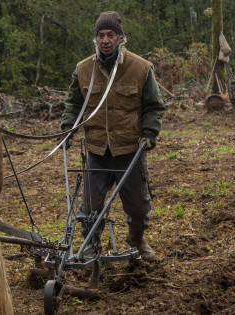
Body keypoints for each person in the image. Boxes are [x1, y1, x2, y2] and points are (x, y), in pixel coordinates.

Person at [60, 11, 165, 261]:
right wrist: (68, 129)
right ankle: (89, 243)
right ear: (95, 39)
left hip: (130, 150)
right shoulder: (84, 69)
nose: (105, 40)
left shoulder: (140, 68)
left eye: (110, 35)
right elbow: (73, 104)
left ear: (120, 38)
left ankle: (137, 240)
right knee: (90, 206)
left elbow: (154, 106)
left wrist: (149, 133)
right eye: (100, 35)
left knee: (139, 206)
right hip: (97, 150)